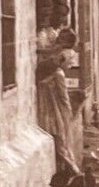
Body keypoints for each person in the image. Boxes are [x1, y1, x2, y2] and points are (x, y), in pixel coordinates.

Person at [35, 28, 81, 174]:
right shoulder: (59, 55)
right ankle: (70, 170)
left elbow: (63, 97)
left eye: (62, 40)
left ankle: (71, 170)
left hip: (54, 100)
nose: (58, 42)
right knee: (60, 138)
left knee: (60, 137)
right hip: (51, 99)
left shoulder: (62, 57)